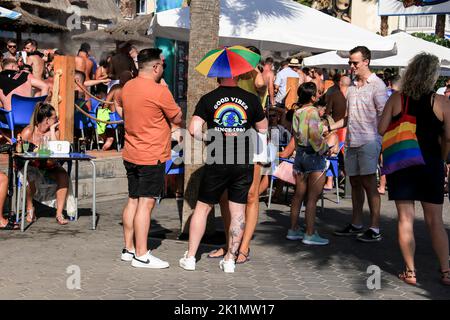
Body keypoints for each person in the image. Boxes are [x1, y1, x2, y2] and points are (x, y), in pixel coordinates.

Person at [179, 76, 267, 273]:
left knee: (203, 208)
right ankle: (230, 260)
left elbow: (193, 129)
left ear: (218, 76)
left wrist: (210, 136)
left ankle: (191, 257)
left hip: (216, 159)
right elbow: (263, 128)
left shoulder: (208, 98)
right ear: (236, 75)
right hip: (242, 161)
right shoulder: (251, 99)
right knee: (238, 211)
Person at [378, 53, 450, 286]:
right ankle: (446, 271)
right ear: (432, 75)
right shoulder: (441, 102)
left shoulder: (398, 99)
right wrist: (442, 156)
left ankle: (410, 272)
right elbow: (448, 137)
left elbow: (381, 129)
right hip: (431, 165)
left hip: (402, 164)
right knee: (435, 221)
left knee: (405, 219)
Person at [115, 48, 182, 269]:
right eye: (162, 65)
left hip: (131, 152)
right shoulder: (159, 91)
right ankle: (142, 255)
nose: (163, 68)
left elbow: (123, 110)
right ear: (155, 67)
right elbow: (178, 117)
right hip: (151, 154)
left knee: (133, 200)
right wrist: (165, 90)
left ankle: (129, 248)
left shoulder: (128, 87)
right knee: (146, 203)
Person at [328, 46, 388, 242]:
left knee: (369, 183)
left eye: (355, 62)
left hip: (369, 141)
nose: (351, 66)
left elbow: (385, 116)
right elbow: (347, 118)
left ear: (366, 62)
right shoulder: (352, 88)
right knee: (354, 183)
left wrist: (379, 141)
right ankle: (356, 223)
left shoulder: (377, 86)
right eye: (350, 63)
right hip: (352, 141)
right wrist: (329, 128)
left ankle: (375, 227)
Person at [287, 82, 331, 245]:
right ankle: (310, 233)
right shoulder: (312, 111)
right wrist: (325, 148)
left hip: (300, 155)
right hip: (313, 155)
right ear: (312, 97)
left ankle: (293, 229)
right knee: (312, 198)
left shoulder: (297, 111)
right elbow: (314, 136)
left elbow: (298, 134)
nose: (319, 95)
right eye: (317, 93)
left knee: (298, 195)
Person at [20, 102, 71, 225]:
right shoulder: (28, 132)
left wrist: (53, 130)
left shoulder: (54, 132)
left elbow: (57, 153)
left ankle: (59, 213)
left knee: (63, 175)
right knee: (30, 176)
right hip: (30, 165)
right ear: (47, 120)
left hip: (49, 165)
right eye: (55, 118)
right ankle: (30, 207)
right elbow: (19, 152)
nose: (57, 119)